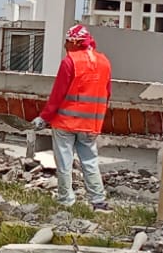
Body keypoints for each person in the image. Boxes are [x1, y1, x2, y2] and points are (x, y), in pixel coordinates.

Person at [32, 23, 112, 211]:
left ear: (75, 42)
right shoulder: (104, 62)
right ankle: (98, 202)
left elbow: (57, 95)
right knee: (90, 161)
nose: (65, 45)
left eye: (67, 41)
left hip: (66, 123)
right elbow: (107, 93)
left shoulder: (70, 62)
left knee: (64, 163)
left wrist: (44, 118)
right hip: (91, 124)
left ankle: (66, 201)